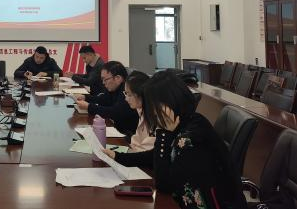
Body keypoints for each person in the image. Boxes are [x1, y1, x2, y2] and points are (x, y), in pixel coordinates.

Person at [108, 70, 247, 209]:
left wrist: (163, 133)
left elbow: (164, 184)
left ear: (168, 103)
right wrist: (118, 157)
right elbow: (154, 156)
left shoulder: (190, 136)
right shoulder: (185, 121)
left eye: (153, 106)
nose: (152, 112)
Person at [102, 71, 155, 166]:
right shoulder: (141, 109)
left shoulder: (154, 116)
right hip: (136, 156)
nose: (126, 99)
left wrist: (121, 156)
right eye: (125, 93)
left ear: (141, 94)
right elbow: (136, 140)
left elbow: (147, 149)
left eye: (129, 94)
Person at [75, 61, 138, 136]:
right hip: (117, 129)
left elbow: (114, 112)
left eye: (105, 79)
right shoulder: (114, 88)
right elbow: (104, 99)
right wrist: (86, 97)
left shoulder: (127, 92)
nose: (103, 83)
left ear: (118, 78)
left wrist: (89, 106)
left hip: (127, 134)